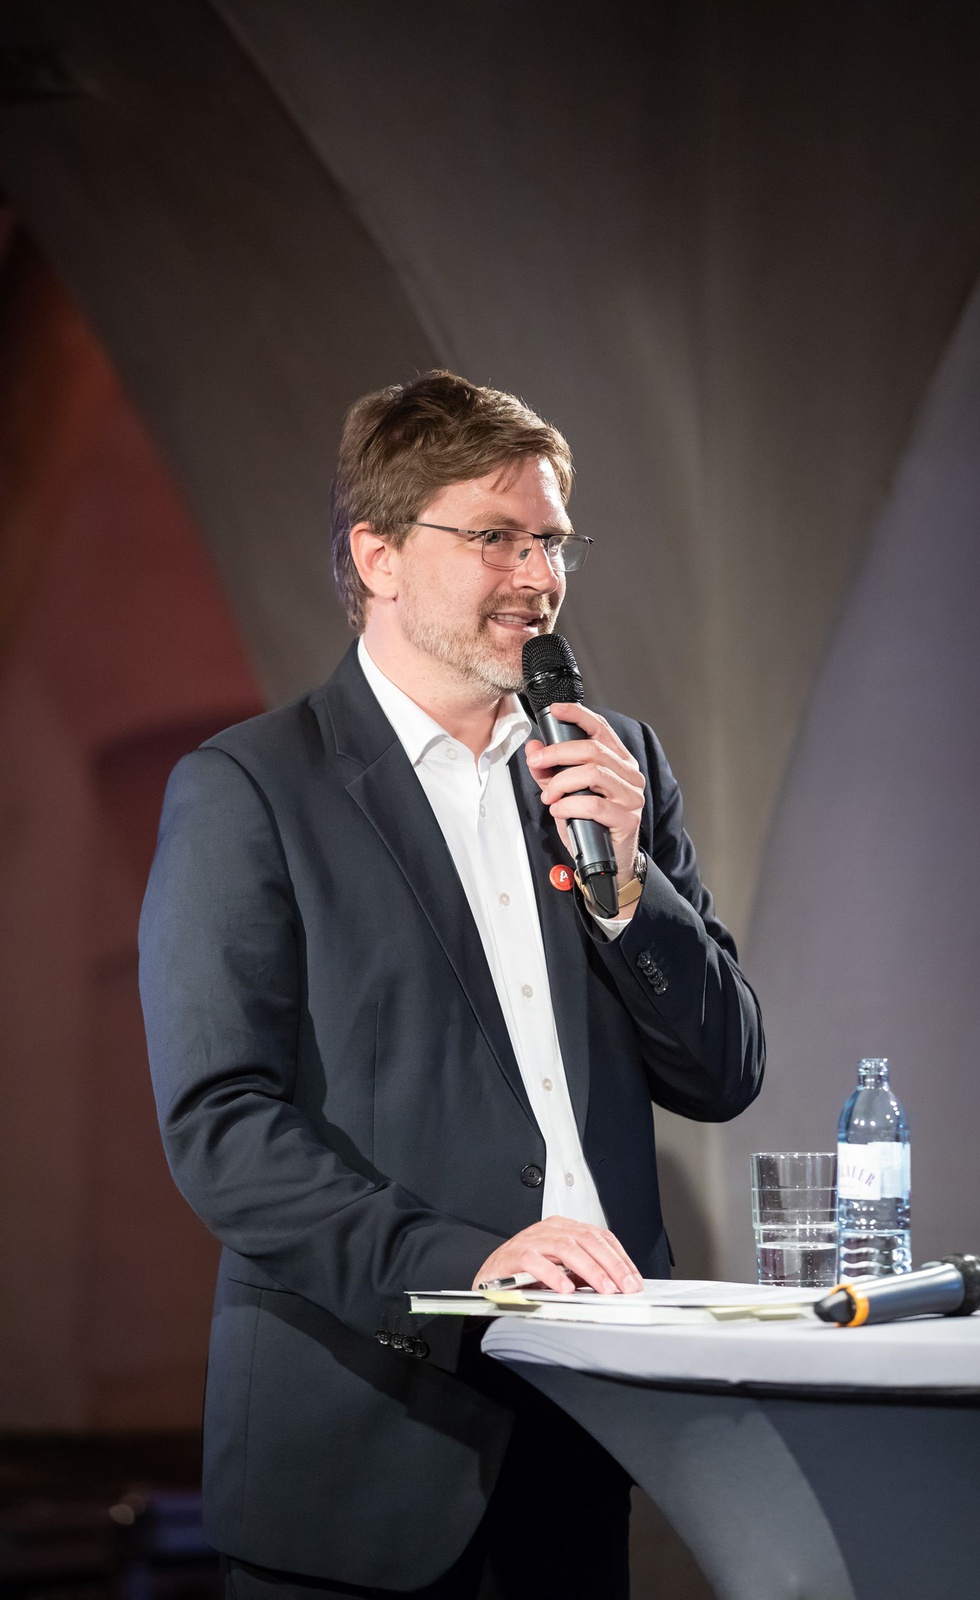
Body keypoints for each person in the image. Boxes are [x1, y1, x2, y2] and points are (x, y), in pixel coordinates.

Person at [139, 370, 765, 1600]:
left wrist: (629, 890)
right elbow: (221, 1125)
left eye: (552, 542)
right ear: (377, 555)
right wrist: (464, 1261)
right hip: (359, 1443)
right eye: (495, 537)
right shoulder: (252, 789)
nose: (537, 576)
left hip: (579, 1434)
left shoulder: (613, 764)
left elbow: (722, 1072)